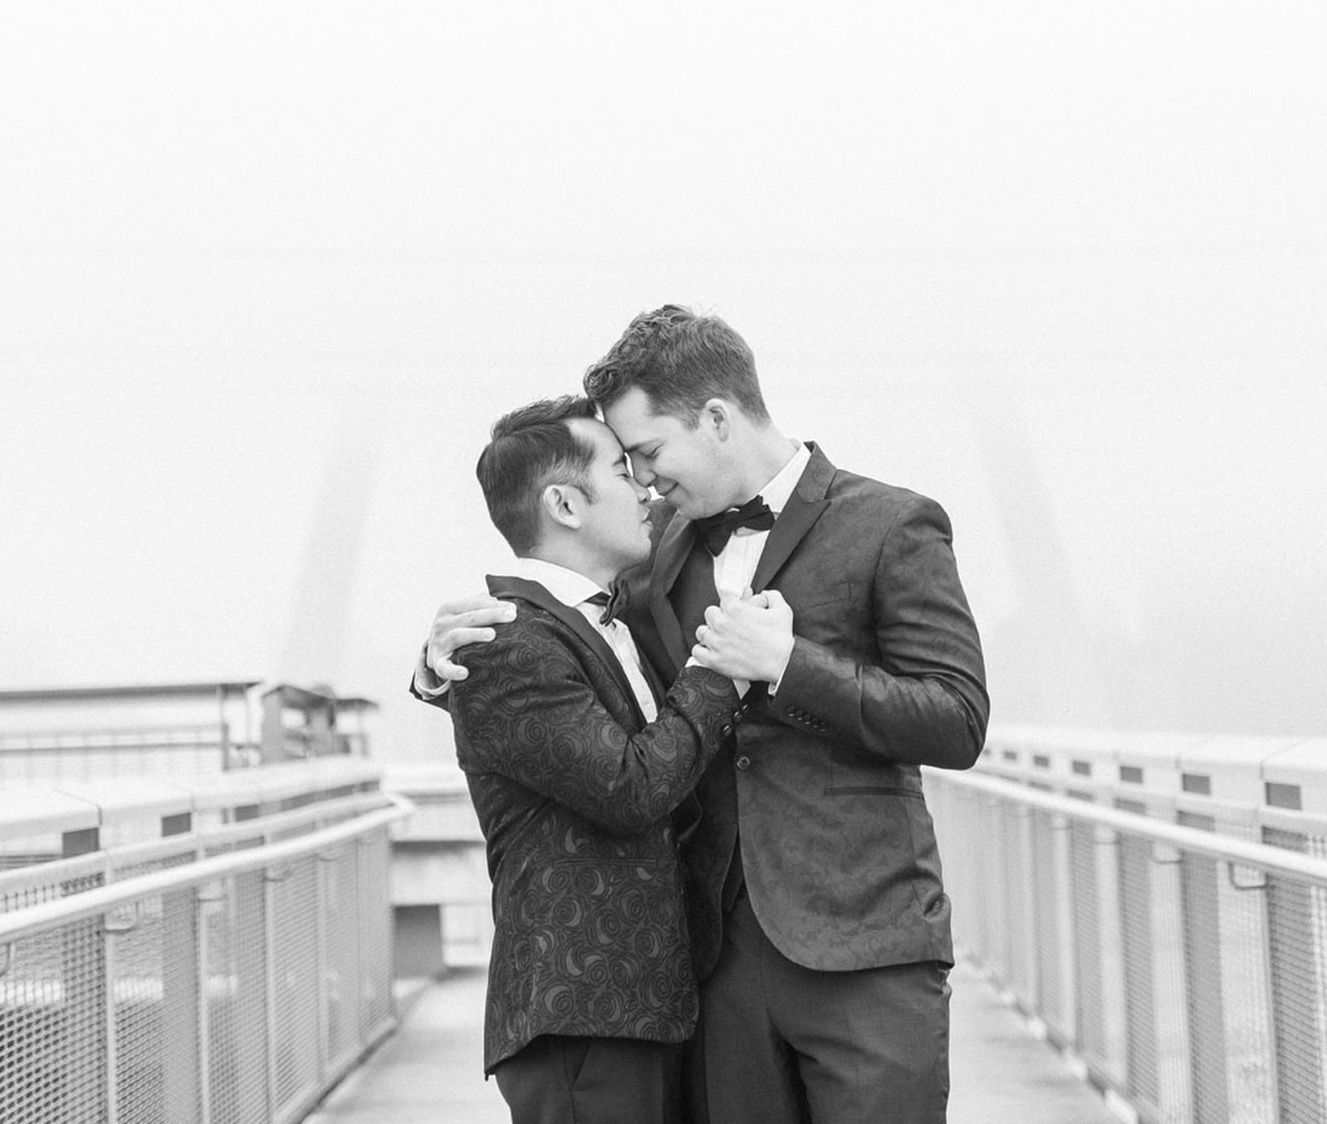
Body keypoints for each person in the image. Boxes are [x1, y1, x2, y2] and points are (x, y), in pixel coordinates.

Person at [423, 306, 990, 1124]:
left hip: (866, 942)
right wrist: (443, 664)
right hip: (712, 963)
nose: (644, 481)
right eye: (629, 466)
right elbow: (565, 630)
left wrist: (790, 666)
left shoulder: (891, 524)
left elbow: (956, 718)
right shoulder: (653, 545)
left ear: (717, 419)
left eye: (649, 453)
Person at [448, 393, 744, 1124]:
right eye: (620, 470)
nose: (644, 488)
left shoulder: (601, 620)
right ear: (565, 505)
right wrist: (722, 668)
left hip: (640, 1004)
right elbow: (630, 786)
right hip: (582, 1012)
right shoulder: (505, 641)